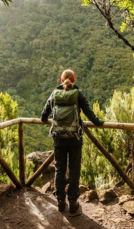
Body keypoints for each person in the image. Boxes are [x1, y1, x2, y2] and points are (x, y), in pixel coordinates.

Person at [41, 69, 105, 213]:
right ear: (73, 80)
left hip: (58, 139)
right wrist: (99, 122)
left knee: (59, 169)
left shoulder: (54, 94)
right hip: (75, 138)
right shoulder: (78, 94)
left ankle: (60, 201)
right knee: (74, 169)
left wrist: (47, 120)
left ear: (61, 80)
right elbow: (89, 112)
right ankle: (73, 201)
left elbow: (43, 116)